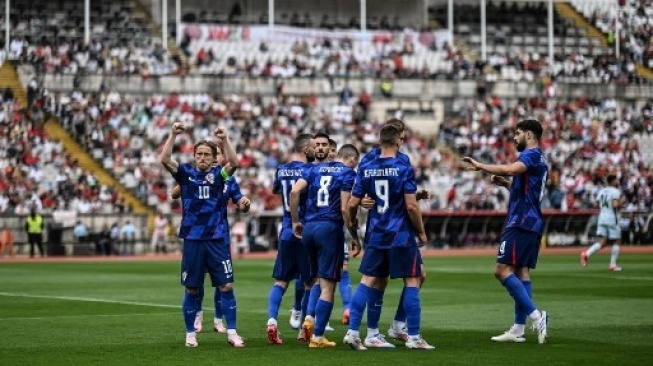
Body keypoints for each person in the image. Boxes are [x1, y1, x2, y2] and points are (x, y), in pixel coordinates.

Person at [344, 125, 434, 350]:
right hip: (400, 234)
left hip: (375, 232)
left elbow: (352, 204)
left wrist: (353, 223)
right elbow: (411, 206)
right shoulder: (403, 165)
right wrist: (421, 232)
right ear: (398, 142)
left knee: (367, 281)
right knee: (413, 280)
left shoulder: (367, 165)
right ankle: (413, 337)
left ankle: (353, 332)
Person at [461, 119, 549, 344]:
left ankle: (537, 316)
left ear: (529, 135)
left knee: (501, 270)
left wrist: (481, 165)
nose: (515, 137)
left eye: (518, 133)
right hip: (531, 219)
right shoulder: (540, 158)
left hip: (521, 221)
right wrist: (506, 185)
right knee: (521, 271)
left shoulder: (530, 156)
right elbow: (528, 191)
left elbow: (511, 169)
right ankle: (519, 329)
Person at [159, 122, 244, 348]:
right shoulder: (185, 174)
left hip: (216, 239)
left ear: (214, 156)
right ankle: (190, 334)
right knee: (192, 288)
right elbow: (164, 159)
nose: (203, 157)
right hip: (193, 239)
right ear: (194, 156)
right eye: (199, 154)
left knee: (226, 286)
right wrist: (173, 134)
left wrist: (225, 140)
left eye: (207, 154)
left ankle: (232, 332)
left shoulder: (220, 175)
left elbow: (235, 162)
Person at [176, 141, 251, 335]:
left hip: (220, 236)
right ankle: (198, 314)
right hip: (197, 235)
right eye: (204, 155)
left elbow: (240, 203)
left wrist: (244, 204)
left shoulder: (228, 180)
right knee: (196, 280)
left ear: (218, 158)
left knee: (222, 281)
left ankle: (218, 319)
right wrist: (183, 186)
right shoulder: (196, 176)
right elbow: (175, 193)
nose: (210, 159)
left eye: (212, 155)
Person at [290, 143, 360, 348]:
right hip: (329, 228)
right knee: (328, 285)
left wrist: (295, 221)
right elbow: (345, 209)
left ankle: (308, 320)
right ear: (353, 159)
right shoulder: (347, 173)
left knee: (313, 280)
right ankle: (318, 337)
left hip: (309, 227)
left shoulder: (313, 168)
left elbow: (294, 192)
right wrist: (354, 236)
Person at [266, 133, 316, 345]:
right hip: (304, 229)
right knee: (310, 282)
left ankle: (271, 321)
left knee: (281, 281)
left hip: (286, 230)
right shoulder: (310, 170)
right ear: (306, 149)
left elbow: (274, 189)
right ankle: (304, 328)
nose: (316, 150)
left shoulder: (282, 169)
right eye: (313, 146)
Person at [581, 174, 624, 271]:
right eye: (616, 180)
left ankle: (586, 254)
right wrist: (622, 202)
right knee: (617, 240)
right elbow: (615, 205)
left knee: (603, 241)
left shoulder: (602, 191)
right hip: (612, 218)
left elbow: (596, 204)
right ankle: (612, 265)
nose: (617, 182)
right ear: (613, 181)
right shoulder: (615, 191)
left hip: (602, 218)